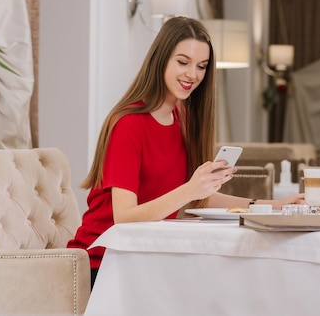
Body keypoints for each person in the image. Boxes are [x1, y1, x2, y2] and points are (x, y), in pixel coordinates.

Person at [68, 16, 304, 288]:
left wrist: (271, 207)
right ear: (161, 60)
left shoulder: (183, 119)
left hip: (147, 257)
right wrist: (191, 190)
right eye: (183, 62)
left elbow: (201, 200)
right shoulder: (128, 123)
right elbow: (125, 217)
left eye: (201, 66)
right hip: (102, 262)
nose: (193, 74)